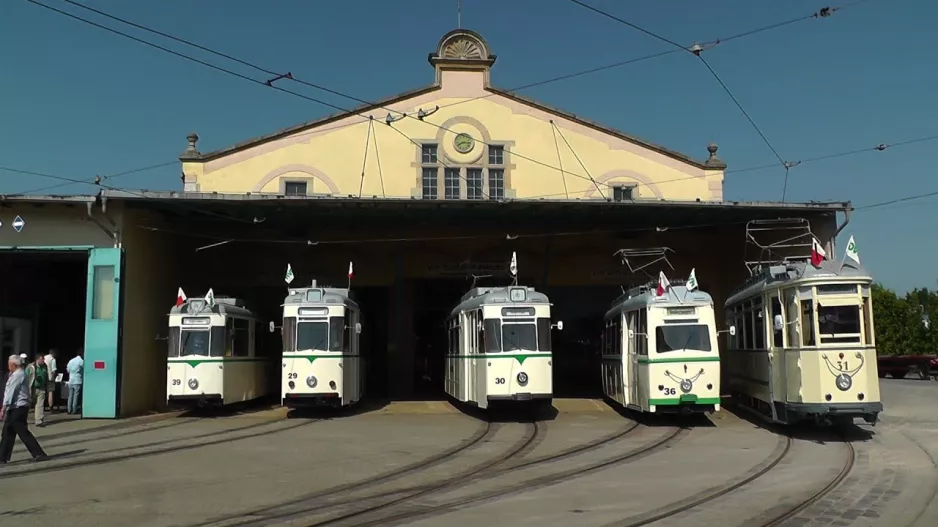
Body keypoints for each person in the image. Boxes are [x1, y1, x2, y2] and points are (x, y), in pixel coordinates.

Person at [1, 354, 47, 464]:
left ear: (13, 365)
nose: (8, 367)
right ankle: (2, 457)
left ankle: (38, 453)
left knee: (22, 432)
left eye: (9, 365)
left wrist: (3, 407)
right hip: (16, 407)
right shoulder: (18, 374)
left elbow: (11, 392)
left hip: (18, 407)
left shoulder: (18, 375)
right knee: (8, 432)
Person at [25, 353, 48, 427]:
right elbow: (25, 376)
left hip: (41, 388)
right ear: (37, 359)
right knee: (27, 405)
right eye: (42, 359)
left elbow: (46, 376)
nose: (43, 361)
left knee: (40, 405)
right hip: (32, 388)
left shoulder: (45, 366)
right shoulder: (30, 367)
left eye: (43, 359)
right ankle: (22, 419)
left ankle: (39, 421)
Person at [66, 349, 84, 416]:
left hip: (71, 380)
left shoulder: (71, 361)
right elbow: (85, 369)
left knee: (70, 396)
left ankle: (69, 409)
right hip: (78, 380)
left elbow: (68, 370)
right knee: (76, 396)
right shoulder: (81, 361)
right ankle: (74, 410)